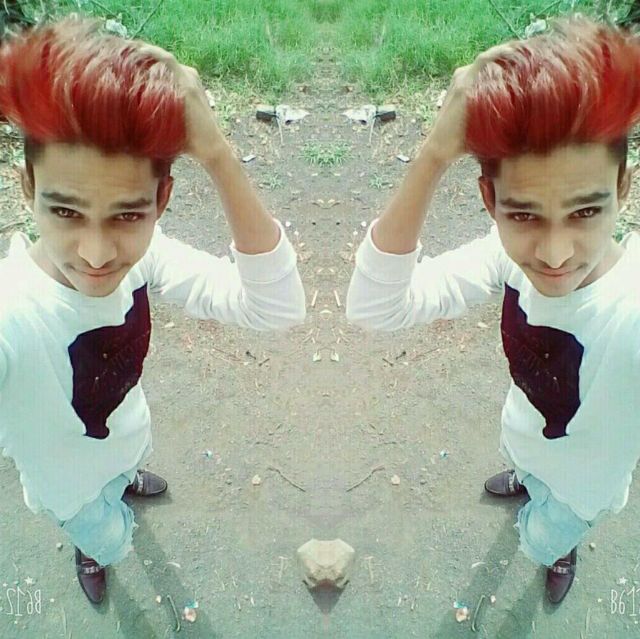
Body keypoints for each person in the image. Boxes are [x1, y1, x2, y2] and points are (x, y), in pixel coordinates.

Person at [0, 18, 306, 604]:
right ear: (27, 188)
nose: (96, 254)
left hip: (129, 434)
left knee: (127, 465)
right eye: (65, 212)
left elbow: (276, 307)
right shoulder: (13, 312)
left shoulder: (148, 255)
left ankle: (128, 478)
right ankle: (94, 550)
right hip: (71, 493)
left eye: (126, 215)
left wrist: (215, 152)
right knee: (108, 538)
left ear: (161, 200)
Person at [346, 16, 640, 604]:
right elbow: (376, 307)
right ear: (489, 200)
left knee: (545, 537)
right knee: (525, 467)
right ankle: (525, 479)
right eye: (524, 215)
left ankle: (557, 549)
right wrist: (436, 151)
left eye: (585, 212)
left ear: (622, 189)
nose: (554, 254)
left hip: (582, 493)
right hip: (523, 434)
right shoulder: (504, 256)